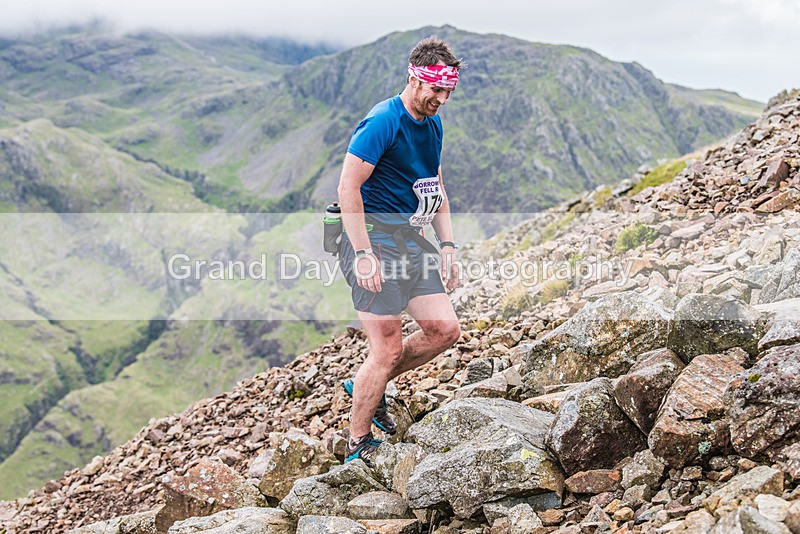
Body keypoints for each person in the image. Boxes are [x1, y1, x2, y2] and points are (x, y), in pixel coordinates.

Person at [336, 37, 463, 466]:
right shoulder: (381, 122)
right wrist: (363, 253)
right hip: (369, 237)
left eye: (448, 92)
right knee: (386, 349)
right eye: (436, 90)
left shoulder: (434, 124)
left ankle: (367, 385)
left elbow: (436, 187)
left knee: (444, 331)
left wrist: (446, 245)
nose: (441, 100)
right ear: (414, 78)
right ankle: (357, 442)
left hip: (408, 238)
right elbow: (347, 187)